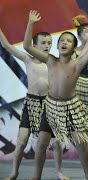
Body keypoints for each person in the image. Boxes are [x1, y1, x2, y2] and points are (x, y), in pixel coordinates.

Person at [23, 10, 88, 180]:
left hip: (71, 107)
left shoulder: (77, 63)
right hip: (51, 107)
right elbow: (27, 46)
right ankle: (36, 176)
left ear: (74, 48)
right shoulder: (50, 60)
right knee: (42, 144)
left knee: (81, 144)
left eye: (69, 41)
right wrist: (31, 23)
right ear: (57, 46)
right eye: (62, 41)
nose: (65, 43)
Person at [0, 29, 69, 180]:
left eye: (49, 43)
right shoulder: (28, 59)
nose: (47, 46)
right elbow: (5, 45)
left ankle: (58, 172)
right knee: (21, 142)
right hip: (31, 103)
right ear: (34, 45)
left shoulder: (53, 62)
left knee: (57, 142)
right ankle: (14, 173)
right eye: (43, 43)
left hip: (49, 105)